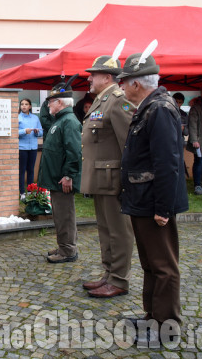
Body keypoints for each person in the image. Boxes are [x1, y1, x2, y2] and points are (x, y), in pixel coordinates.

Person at [117, 50, 188, 336]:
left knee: (163, 266)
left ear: (136, 83)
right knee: (150, 263)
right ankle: (153, 317)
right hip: (142, 200)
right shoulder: (149, 107)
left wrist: (164, 207)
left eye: (124, 81)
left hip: (153, 203)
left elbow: (168, 162)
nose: (120, 87)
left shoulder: (159, 108)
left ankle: (167, 325)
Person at [80, 54, 135, 298]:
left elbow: (129, 145)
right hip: (101, 179)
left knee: (119, 231)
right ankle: (109, 273)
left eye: (93, 74)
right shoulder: (100, 100)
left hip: (114, 180)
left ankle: (120, 279)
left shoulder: (117, 101)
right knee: (105, 229)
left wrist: (128, 182)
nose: (89, 78)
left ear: (107, 77)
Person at [38, 77, 82, 263]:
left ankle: (68, 250)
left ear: (61, 102)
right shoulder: (60, 120)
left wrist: (68, 175)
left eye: (51, 101)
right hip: (56, 178)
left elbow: (74, 152)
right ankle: (64, 245)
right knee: (60, 215)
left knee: (65, 216)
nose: (48, 104)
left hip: (62, 179)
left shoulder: (69, 122)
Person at [18, 98, 43, 201]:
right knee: (22, 170)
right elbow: (14, 133)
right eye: (22, 104)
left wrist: (37, 132)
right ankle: (22, 192)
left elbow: (41, 132)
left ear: (30, 106)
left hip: (33, 147)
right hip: (22, 148)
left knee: (31, 170)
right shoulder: (17, 118)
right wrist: (24, 131)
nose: (24, 106)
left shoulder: (35, 118)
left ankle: (30, 191)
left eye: (26, 104)